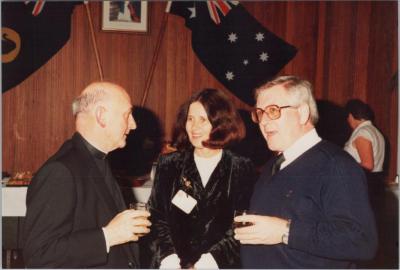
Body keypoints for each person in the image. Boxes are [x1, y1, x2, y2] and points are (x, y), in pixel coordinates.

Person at [234, 76, 378, 268]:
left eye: (273, 111)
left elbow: (362, 241)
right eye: (260, 113)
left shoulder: (336, 165)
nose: (263, 121)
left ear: (302, 113)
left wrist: (285, 231)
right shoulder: (272, 166)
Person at [23, 82, 151, 268]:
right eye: (127, 115)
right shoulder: (60, 171)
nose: (133, 124)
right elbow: (39, 255)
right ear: (101, 116)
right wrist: (109, 235)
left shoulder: (99, 160)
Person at [147, 88, 257, 269]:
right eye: (190, 119)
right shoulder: (169, 164)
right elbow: (156, 217)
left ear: (220, 123)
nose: (194, 127)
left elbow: (241, 225)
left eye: (203, 120)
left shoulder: (242, 168)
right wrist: (170, 260)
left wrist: (207, 263)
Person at [344, 99, 385, 194]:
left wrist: (343, 165)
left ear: (350, 116)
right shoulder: (375, 131)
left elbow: (367, 165)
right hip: (374, 182)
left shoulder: (362, 132)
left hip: (362, 184)